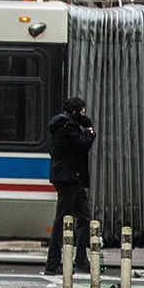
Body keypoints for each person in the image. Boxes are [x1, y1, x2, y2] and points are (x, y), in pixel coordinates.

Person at [45, 96, 95, 275]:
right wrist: (89, 130)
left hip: (73, 178)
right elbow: (83, 145)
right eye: (82, 113)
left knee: (85, 217)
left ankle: (81, 257)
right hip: (68, 179)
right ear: (74, 112)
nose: (83, 116)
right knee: (61, 220)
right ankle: (52, 264)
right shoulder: (67, 126)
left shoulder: (64, 124)